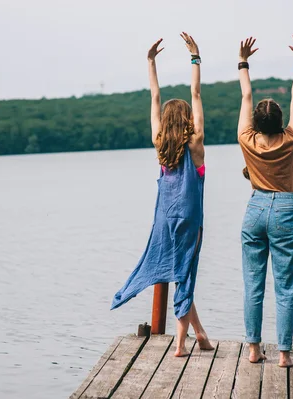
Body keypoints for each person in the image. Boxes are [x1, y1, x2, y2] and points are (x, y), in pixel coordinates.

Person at [111, 33, 213, 357]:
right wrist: (195, 58)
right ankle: (181, 345)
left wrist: (150, 62)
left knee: (180, 273)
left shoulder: (159, 143)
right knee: (185, 275)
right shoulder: (195, 145)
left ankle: (200, 334)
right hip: (189, 219)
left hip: (163, 218)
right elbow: (195, 93)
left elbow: (155, 98)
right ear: (186, 122)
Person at [237, 33, 293, 366]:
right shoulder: (290, 140)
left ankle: (253, 350)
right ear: (280, 122)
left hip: (255, 209)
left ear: (257, 123)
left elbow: (246, 94)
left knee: (253, 283)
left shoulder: (246, 139)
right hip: (284, 210)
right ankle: (283, 354)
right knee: (285, 286)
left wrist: (243, 62)